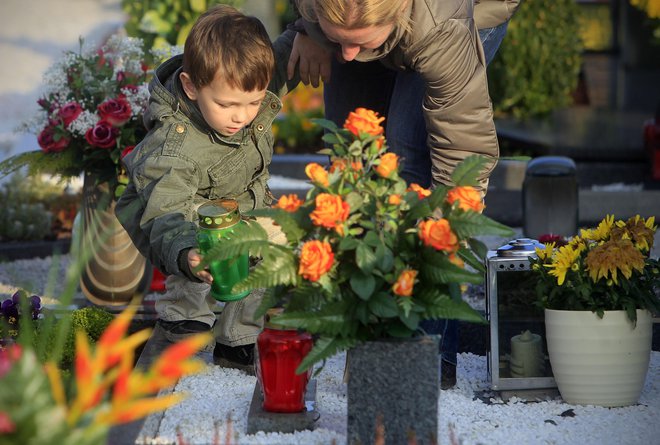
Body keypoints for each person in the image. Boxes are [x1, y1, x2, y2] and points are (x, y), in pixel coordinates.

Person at [285, 0, 520, 387]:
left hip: (462, 12)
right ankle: (365, 334)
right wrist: (307, 28)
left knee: (408, 154)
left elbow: (462, 146)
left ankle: (424, 357)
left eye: (359, 43)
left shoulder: (441, 29)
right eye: (339, 39)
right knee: (352, 154)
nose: (346, 55)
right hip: (356, 18)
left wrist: (449, 220)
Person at [115, 5, 298, 373]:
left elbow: (288, 51)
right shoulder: (175, 147)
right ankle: (182, 325)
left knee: (261, 261)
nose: (241, 116)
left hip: (240, 205)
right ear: (191, 86)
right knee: (197, 267)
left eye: (253, 102)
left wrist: (313, 31)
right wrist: (185, 253)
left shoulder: (244, 82)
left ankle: (238, 341)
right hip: (176, 215)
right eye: (227, 104)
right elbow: (166, 212)